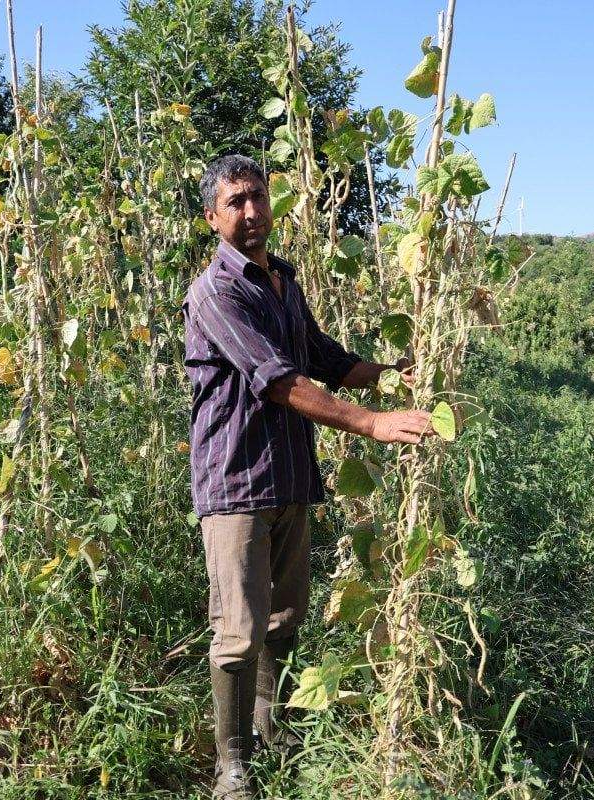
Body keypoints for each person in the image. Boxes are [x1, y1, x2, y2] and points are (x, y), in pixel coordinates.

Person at [183, 154, 432, 799]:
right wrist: (373, 423)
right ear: (213, 217)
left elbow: (318, 356)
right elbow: (279, 381)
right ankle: (232, 769)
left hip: (290, 477)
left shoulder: (284, 282)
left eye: (258, 197)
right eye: (235, 202)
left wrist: (390, 372)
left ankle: (269, 730)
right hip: (237, 481)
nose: (251, 212)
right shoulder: (217, 291)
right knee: (238, 629)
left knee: (284, 617)